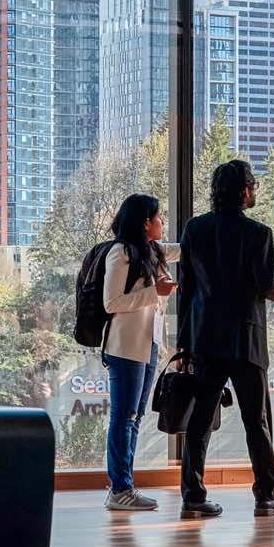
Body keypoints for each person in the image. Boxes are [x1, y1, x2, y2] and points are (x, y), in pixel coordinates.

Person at [175, 160, 274, 520]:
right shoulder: (259, 233)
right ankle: (265, 496)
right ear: (244, 191)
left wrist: (184, 343)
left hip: (205, 338)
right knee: (257, 421)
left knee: (200, 420)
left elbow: (186, 291)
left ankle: (193, 496)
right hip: (246, 340)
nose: (254, 191)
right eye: (253, 185)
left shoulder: (195, 229)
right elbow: (267, 286)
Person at [100, 193, 179, 512]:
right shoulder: (120, 253)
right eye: (159, 217)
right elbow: (112, 303)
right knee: (124, 417)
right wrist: (153, 293)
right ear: (146, 222)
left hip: (148, 347)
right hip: (125, 348)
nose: (163, 222)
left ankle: (124, 487)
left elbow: (185, 248)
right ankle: (119, 488)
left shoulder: (153, 252)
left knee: (134, 417)